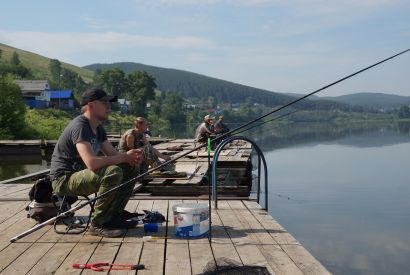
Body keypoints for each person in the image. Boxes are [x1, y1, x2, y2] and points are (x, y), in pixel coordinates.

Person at [50, 87, 143, 238]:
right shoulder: (80, 125)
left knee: (131, 168)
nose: (109, 107)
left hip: (82, 176)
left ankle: (114, 216)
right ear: (91, 105)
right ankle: (98, 223)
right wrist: (124, 156)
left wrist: (130, 157)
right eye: (105, 103)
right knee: (113, 172)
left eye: (109, 103)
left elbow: (113, 154)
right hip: (64, 179)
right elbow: (92, 163)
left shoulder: (98, 128)